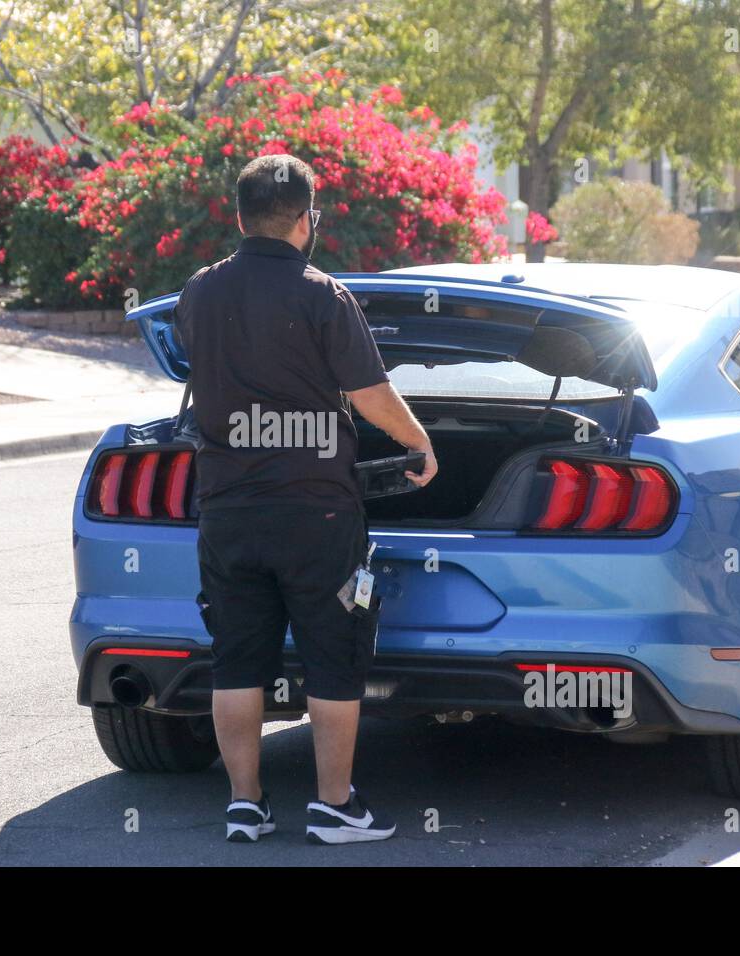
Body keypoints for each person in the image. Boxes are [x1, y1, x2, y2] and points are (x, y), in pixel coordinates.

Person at [173, 154, 438, 844]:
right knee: (333, 655)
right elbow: (371, 395)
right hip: (316, 512)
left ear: (240, 216)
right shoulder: (323, 295)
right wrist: (420, 443)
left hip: (227, 510)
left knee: (235, 657)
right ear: (304, 220)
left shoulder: (199, 292)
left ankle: (245, 805)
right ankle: (333, 806)